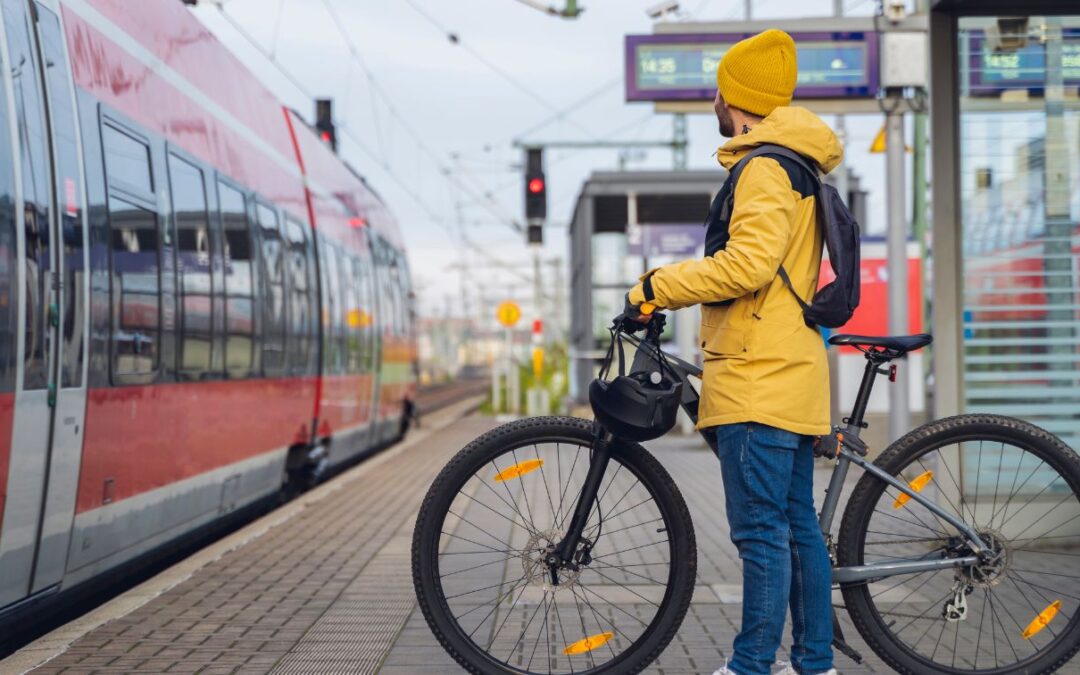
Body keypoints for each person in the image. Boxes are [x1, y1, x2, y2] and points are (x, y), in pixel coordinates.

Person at [624, 29, 841, 675]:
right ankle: (815, 662)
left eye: (721, 89)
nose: (715, 99)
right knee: (796, 527)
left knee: (762, 534)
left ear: (734, 97)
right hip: (787, 371)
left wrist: (656, 286)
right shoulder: (794, 162)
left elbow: (746, 266)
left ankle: (751, 666)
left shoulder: (766, 167)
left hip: (758, 376)